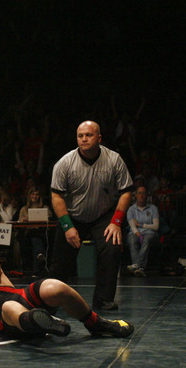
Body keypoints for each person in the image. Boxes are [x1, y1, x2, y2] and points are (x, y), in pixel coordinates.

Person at [0, 252, 134, 339]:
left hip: (24, 298)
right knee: (8, 308)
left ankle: (95, 323)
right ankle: (39, 322)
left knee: (54, 286)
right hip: (14, 322)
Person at [49, 120, 134, 310]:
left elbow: (126, 191)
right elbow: (56, 196)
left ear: (99, 138)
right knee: (60, 263)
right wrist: (67, 226)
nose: (84, 139)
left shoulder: (114, 160)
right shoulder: (65, 163)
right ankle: (52, 298)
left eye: (89, 135)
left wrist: (116, 222)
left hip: (102, 215)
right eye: (80, 136)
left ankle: (103, 299)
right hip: (72, 216)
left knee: (111, 247)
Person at [17, 186, 52, 277]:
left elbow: (49, 219)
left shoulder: (45, 208)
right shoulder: (24, 209)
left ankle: (39, 260)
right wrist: (24, 220)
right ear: (29, 196)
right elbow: (19, 222)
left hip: (42, 233)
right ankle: (40, 257)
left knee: (36, 237)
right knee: (34, 237)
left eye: (37, 194)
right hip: (27, 233)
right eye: (32, 194)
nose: (34, 196)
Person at [126, 186, 160, 277]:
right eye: (139, 193)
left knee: (147, 239)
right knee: (132, 240)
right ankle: (139, 268)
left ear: (147, 195)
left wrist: (141, 225)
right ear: (136, 195)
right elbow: (132, 226)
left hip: (150, 233)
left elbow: (156, 226)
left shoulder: (153, 208)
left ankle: (137, 266)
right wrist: (138, 235)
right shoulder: (131, 210)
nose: (141, 195)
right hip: (135, 232)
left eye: (143, 193)